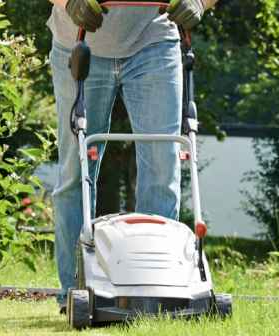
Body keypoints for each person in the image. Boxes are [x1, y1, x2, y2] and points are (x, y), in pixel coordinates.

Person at [46, 0, 218, 312]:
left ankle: (160, 290)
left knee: (162, 165)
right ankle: (73, 293)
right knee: (75, 172)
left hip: (153, 42)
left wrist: (200, 2)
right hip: (78, 40)